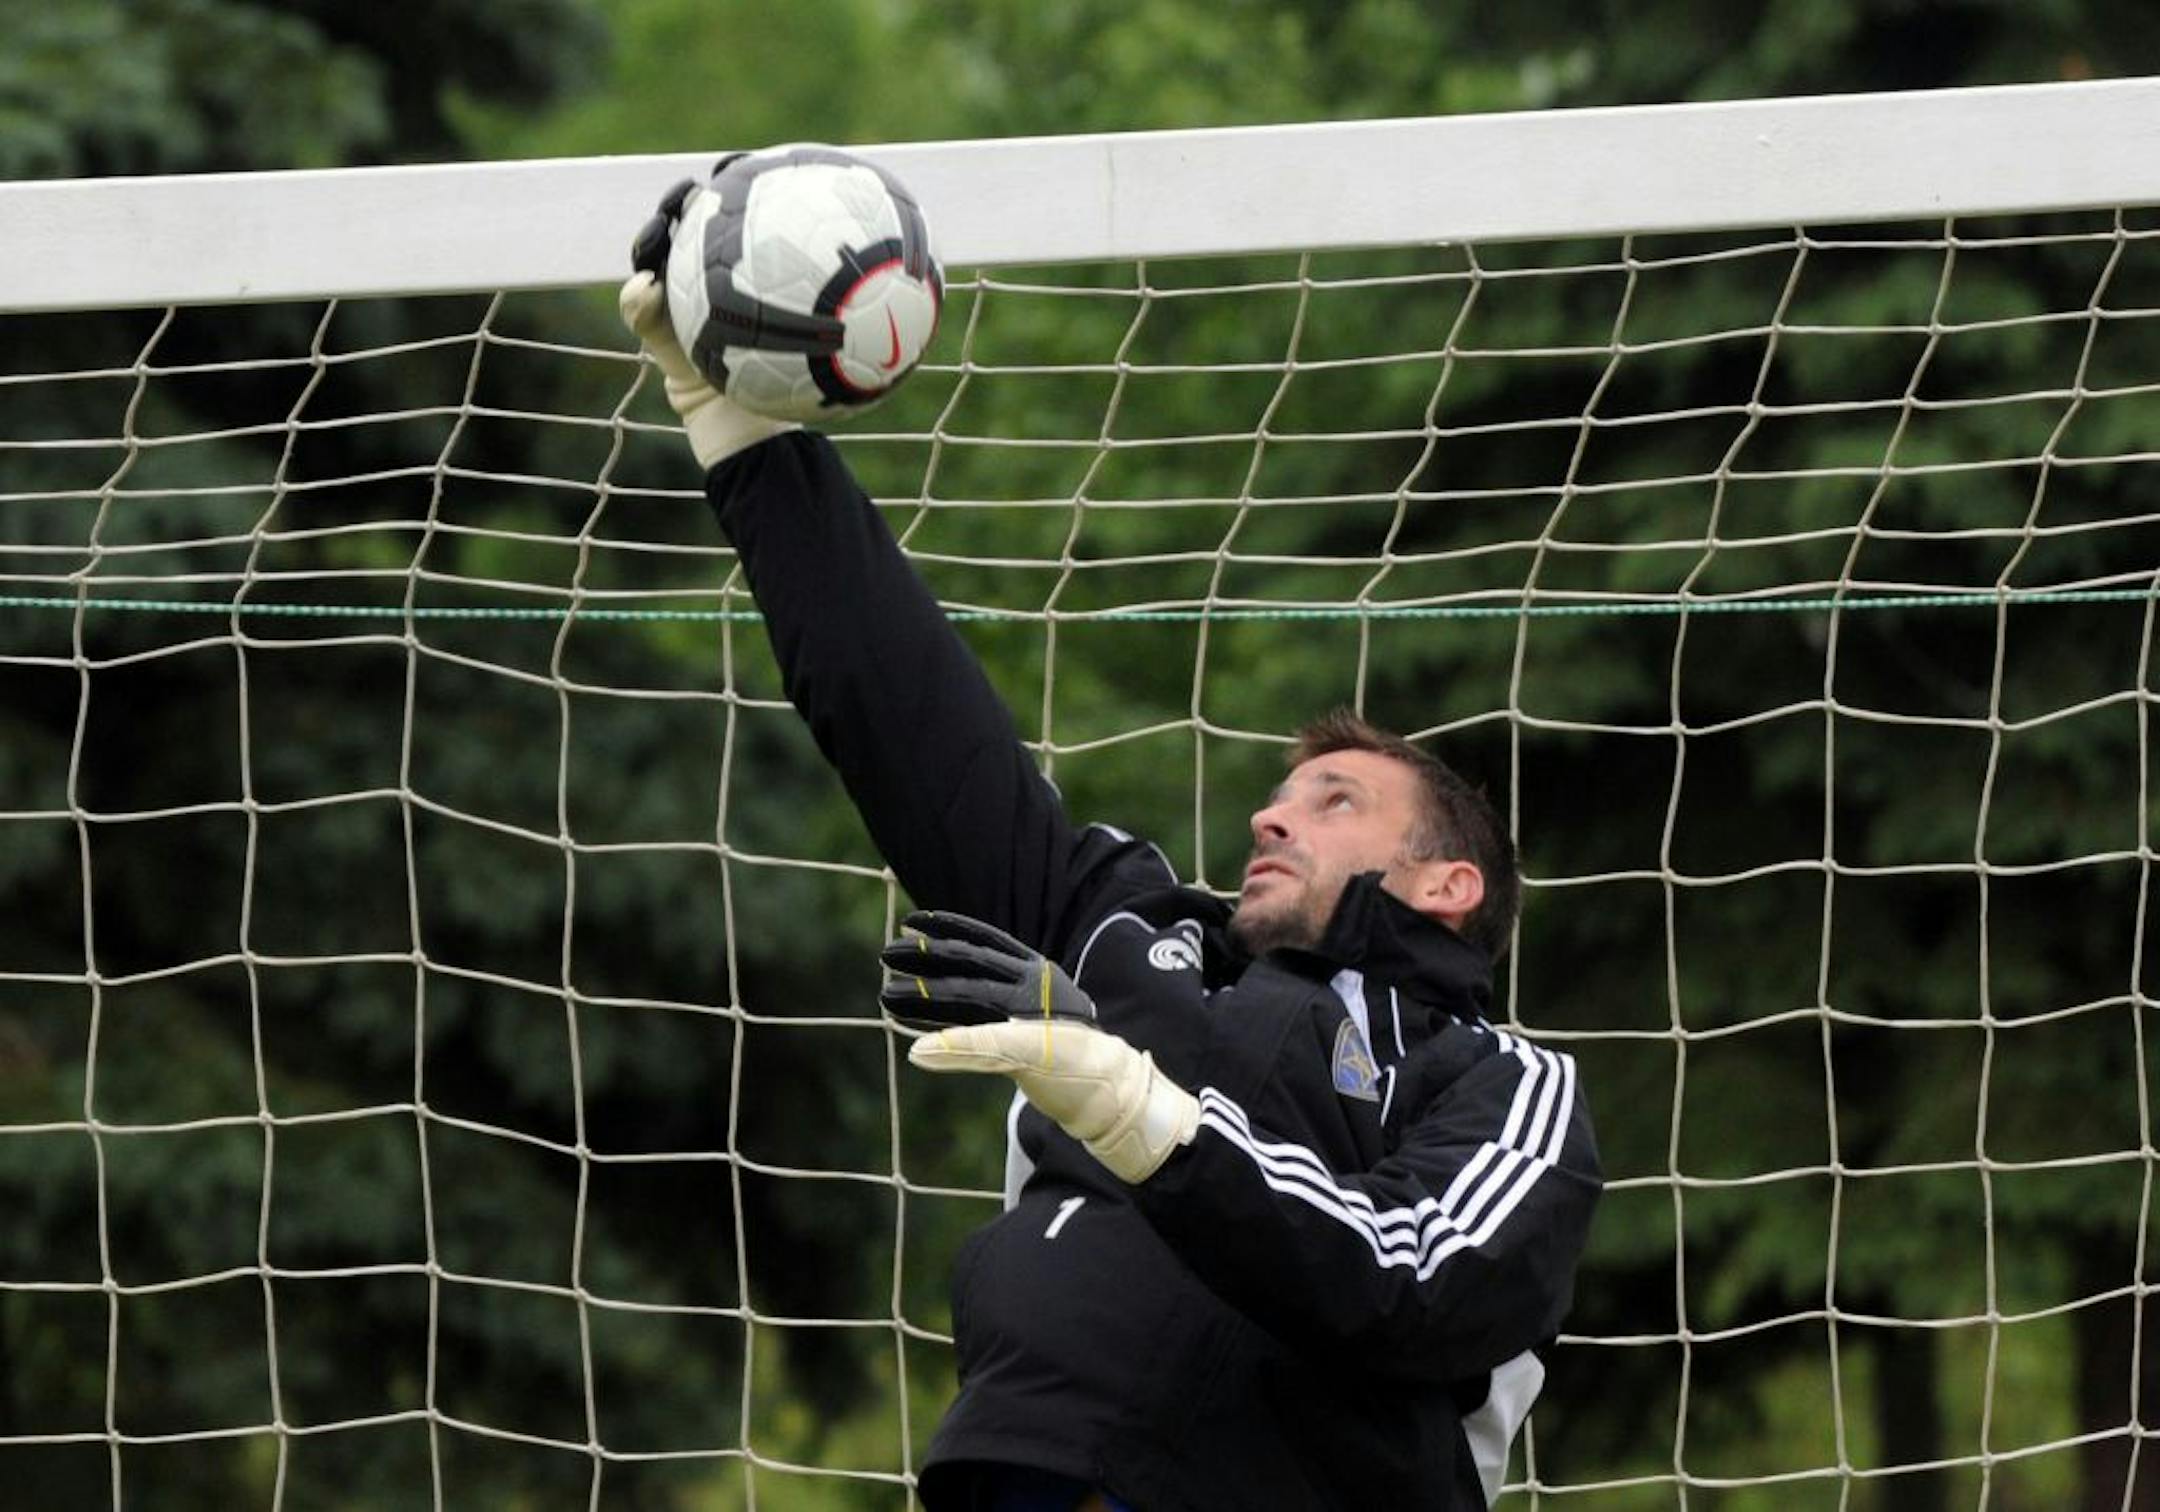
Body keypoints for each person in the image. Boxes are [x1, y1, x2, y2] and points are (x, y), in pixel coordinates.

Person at [620, 183, 1602, 1512]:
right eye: (1280, 792)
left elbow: (1407, 1277)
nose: (1270, 813)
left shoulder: (1498, 1083)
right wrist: (744, 439)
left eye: (1333, 802)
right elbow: (911, 721)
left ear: (1447, 881)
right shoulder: (1125, 933)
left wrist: (1137, 1107)